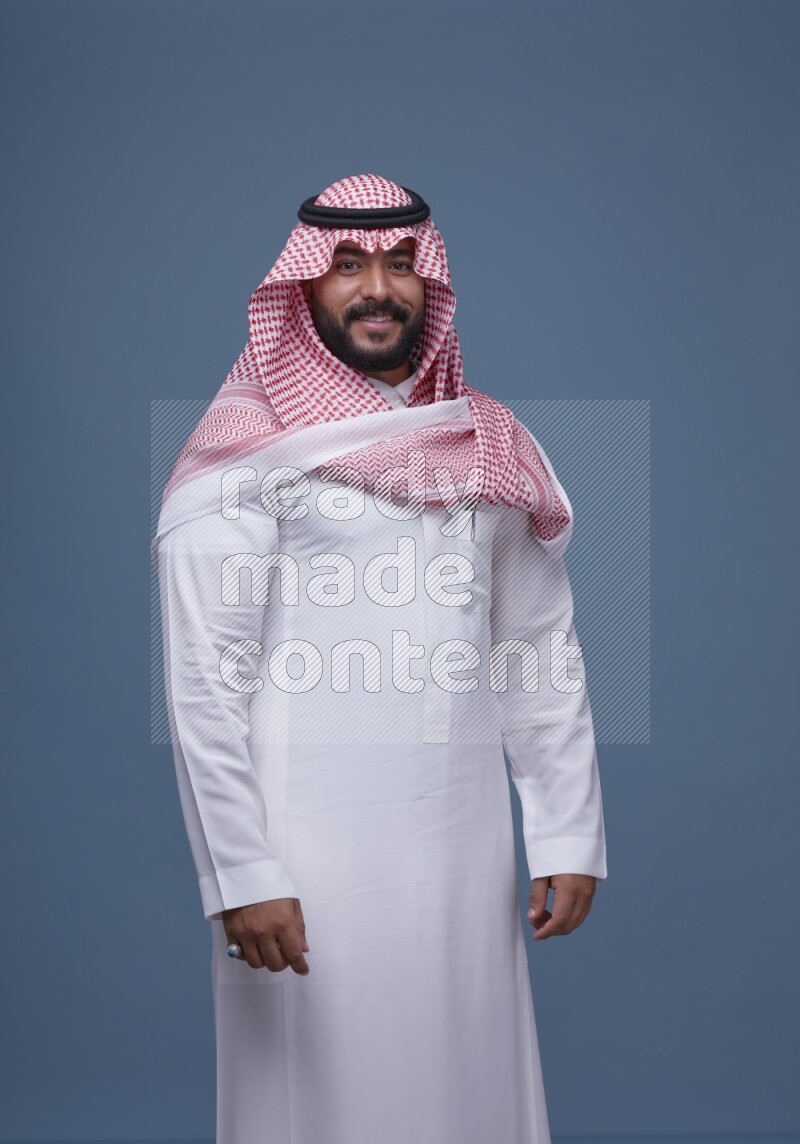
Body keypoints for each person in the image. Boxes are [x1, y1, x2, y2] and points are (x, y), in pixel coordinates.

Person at [152, 172, 607, 1144]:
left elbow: (534, 649)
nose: (377, 287)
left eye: (401, 264)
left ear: (429, 283)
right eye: (347, 265)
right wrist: (239, 871)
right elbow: (204, 682)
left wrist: (565, 830)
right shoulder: (245, 454)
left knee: (467, 1082)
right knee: (318, 1101)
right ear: (303, 287)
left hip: (461, 841)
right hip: (306, 846)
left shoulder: (488, 444)